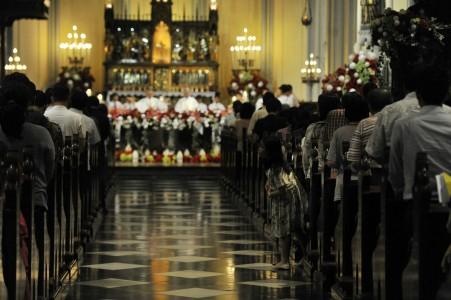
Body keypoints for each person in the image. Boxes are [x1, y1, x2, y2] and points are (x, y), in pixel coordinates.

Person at [0, 80, 56, 297]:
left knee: (6, 254)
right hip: (36, 201)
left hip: (4, 205)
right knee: (36, 251)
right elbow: (51, 169)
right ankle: (38, 290)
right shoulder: (41, 134)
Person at [390, 66, 451, 201]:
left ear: (418, 95)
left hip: (415, 200)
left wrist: (402, 189)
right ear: (447, 94)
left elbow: (395, 170)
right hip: (449, 198)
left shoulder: (404, 124)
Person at [264, 136, 304, 270]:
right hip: (286, 202)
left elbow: (282, 189)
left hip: (283, 203)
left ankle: (285, 260)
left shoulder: (275, 169)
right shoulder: (281, 164)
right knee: (287, 231)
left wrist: (270, 193)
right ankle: (287, 258)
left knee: (283, 232)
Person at [365, 69, 420, 162]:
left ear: (403, 86)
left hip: (397, 172)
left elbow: (374, 151)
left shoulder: (390, 111)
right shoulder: (447, 112)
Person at [327, 92, 369, 201]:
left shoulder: (339, 132)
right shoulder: (369, 130)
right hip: (367, 180)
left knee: (344, 214)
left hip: (344, 181)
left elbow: (331, 162)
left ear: (346, 115)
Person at [347, 88, 393, 165]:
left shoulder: (365, 123)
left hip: (372, 173)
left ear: (369, 106)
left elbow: (354, 157)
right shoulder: (398, 121)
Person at [302, 93, 341, 179]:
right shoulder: (343, 128)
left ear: (320, 109)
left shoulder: (313, 128)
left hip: (317, 174)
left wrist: (308, 175)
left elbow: (306, 157)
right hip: (341, 174)